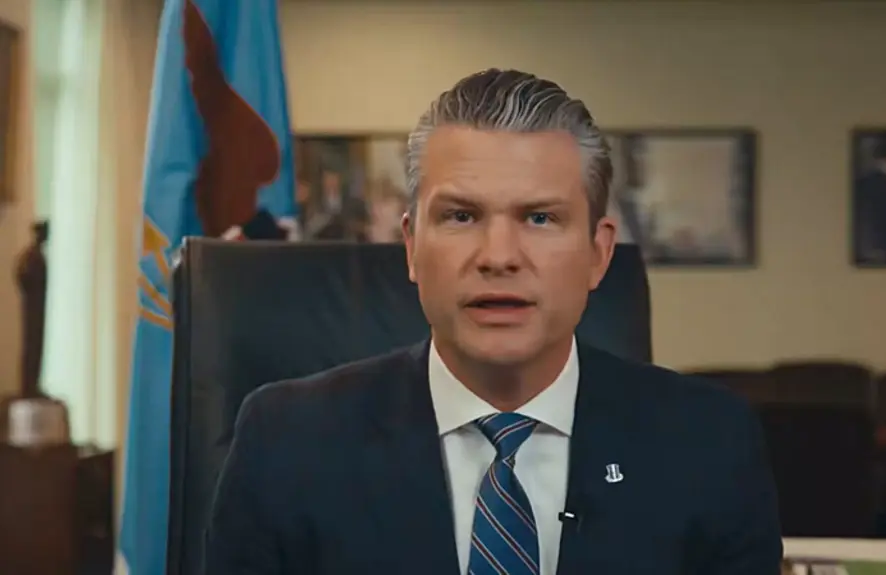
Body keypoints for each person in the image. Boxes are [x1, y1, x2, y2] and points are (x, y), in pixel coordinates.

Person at [204, 69, 783, 574]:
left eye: (539, 217)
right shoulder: (288, 441)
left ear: (598, 253)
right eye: (461, 215)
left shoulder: (708, 444)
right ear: (411, 246)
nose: (498, 255)